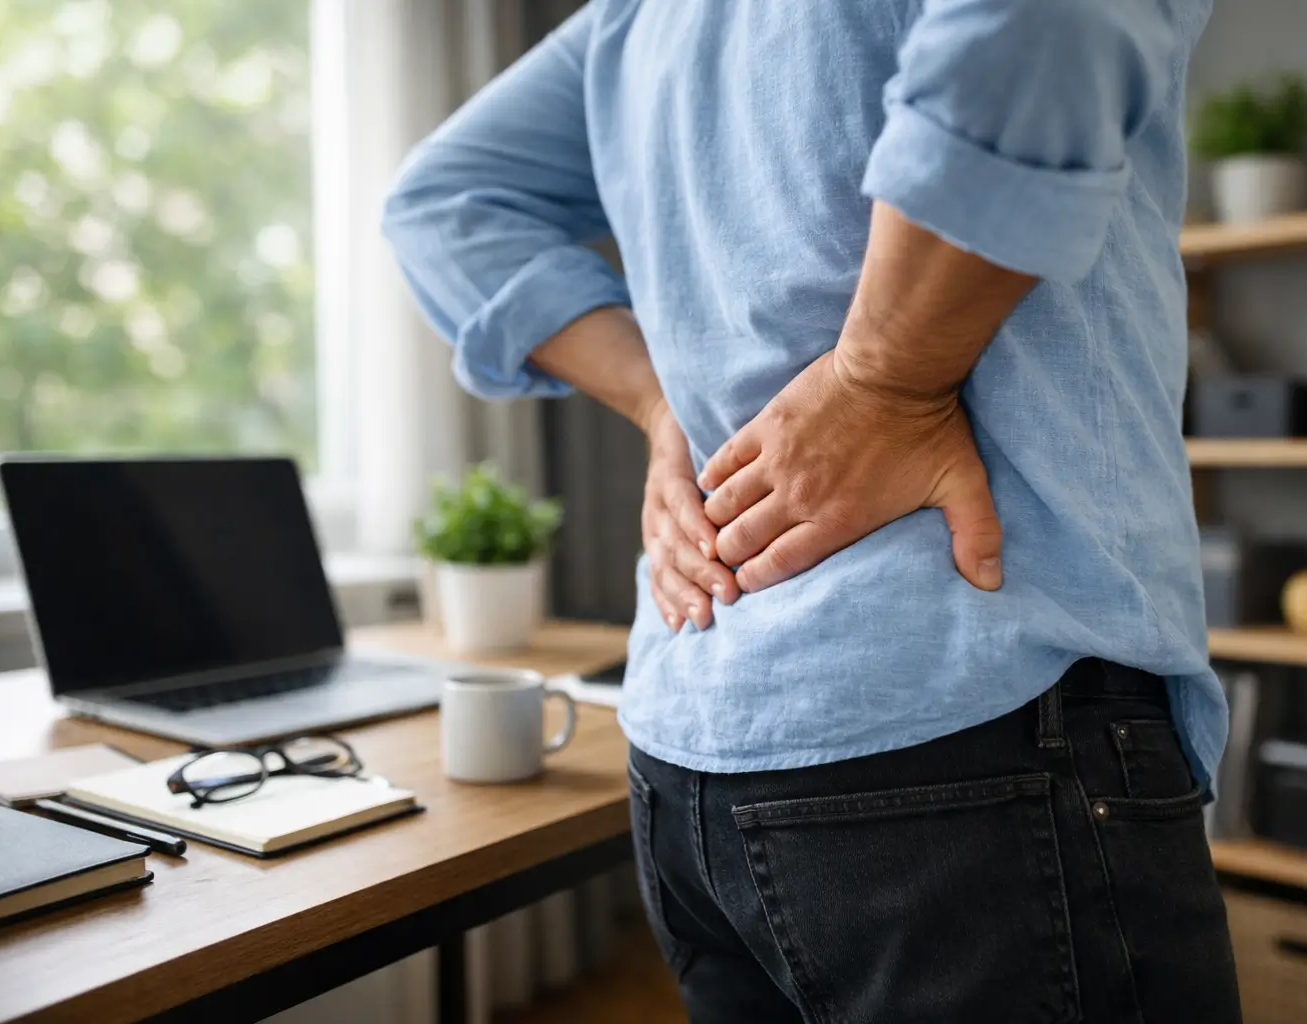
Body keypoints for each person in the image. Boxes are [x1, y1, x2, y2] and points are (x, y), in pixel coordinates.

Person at [383, 0, 1242, 1019]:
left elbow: (442, 205)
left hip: (697, 753)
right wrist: (883, 378)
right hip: (972, 713)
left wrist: (670, 399)